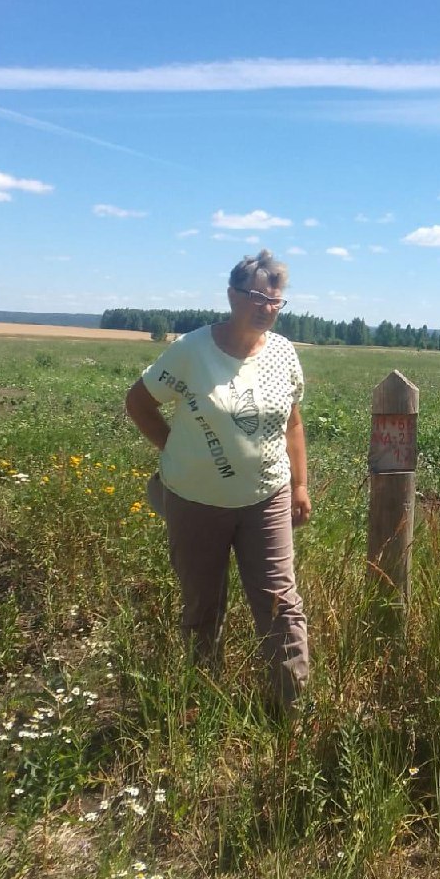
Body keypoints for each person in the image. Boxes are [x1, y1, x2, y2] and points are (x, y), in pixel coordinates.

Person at [125, 250, 310, 709]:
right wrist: (174, 448)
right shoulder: (192, 350)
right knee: (203, 605)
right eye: (255, 296)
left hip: (266, 497)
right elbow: (139, 403)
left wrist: (301, 485)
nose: (266, 307)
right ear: (232, 296)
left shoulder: (283, 353)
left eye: (275, 300)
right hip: (195, 500)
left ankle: (290, 711)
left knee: (280, 605)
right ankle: (202, 703)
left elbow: (293, 422)